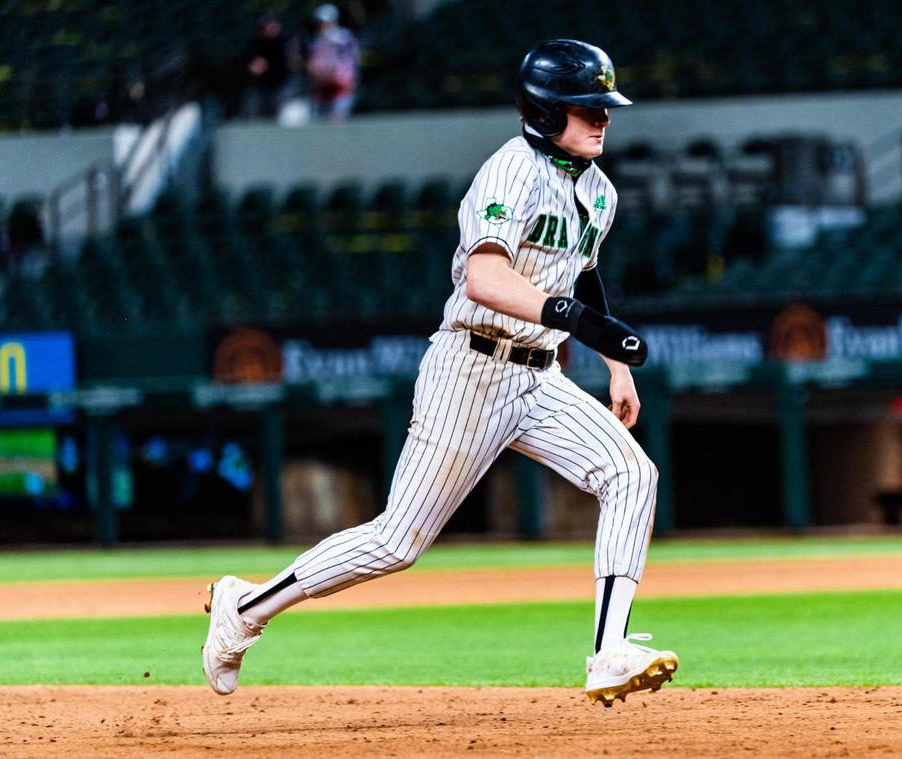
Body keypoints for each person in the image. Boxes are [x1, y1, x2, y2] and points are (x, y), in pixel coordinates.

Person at [201, 39, 678, 708]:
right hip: (471, 367)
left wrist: (614, 366)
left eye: (605, 107)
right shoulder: (509, 172)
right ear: (544, 112)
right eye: (586, 107)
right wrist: (566, 314)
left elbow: (584, 276)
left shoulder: (598, 191)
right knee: (397, 541)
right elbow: (484, 277)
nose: (602, 118)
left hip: (537, 377)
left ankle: (608, 652)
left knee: (632, 473)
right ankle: (246, 606)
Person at [305, 3, 360, 120]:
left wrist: (348, 81)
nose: (323, 25)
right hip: (322, 89)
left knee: (338, 122)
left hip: (341, 88)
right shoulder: (316, 41)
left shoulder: (345, 38)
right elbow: (313, 64)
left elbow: (351, 62)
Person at [241, 12, 291, 119]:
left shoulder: (284, 41)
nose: (270, 28)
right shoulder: (256, 43)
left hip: (280, 85)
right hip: (262, 87)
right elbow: (250, 64)